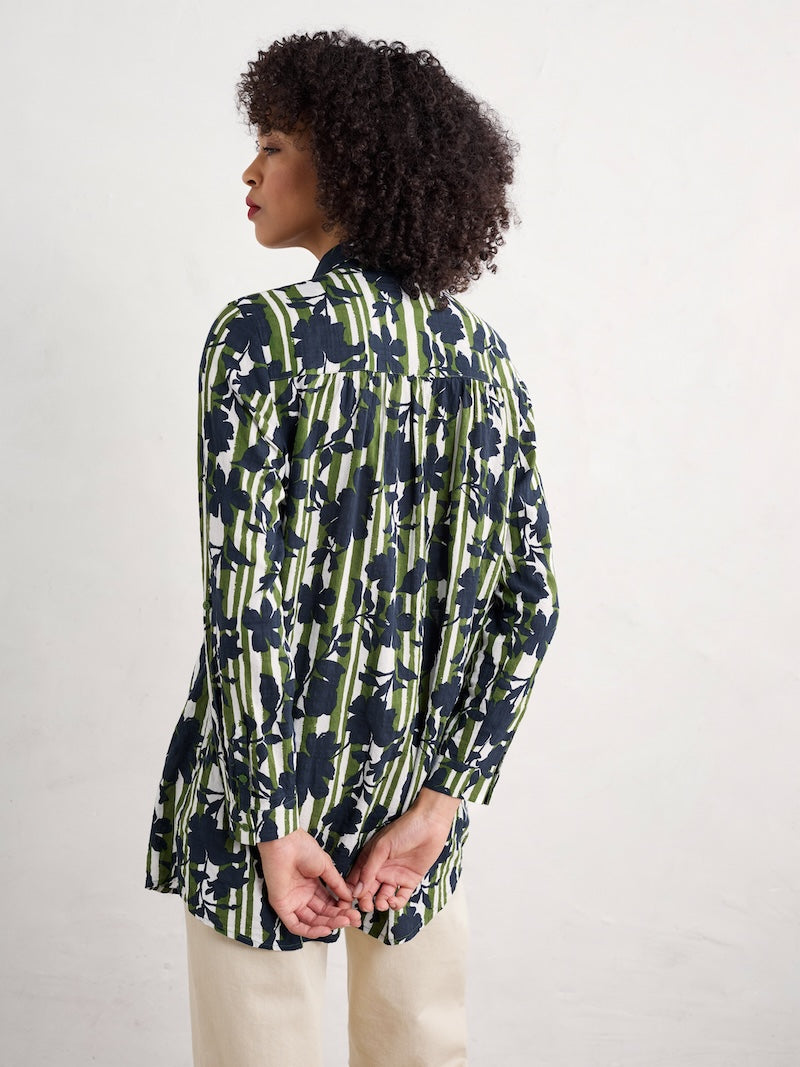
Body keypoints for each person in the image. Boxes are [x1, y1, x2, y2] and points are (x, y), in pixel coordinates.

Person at [144, 28, 560, 1067]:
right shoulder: (484, 359)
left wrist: (274, 820)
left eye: (274, 144)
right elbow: (532, 600)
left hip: (267, 796)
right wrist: (439, 803)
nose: (250, 171)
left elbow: (247, 598)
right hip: (413, 809)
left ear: (347, 163)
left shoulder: (263, 337)